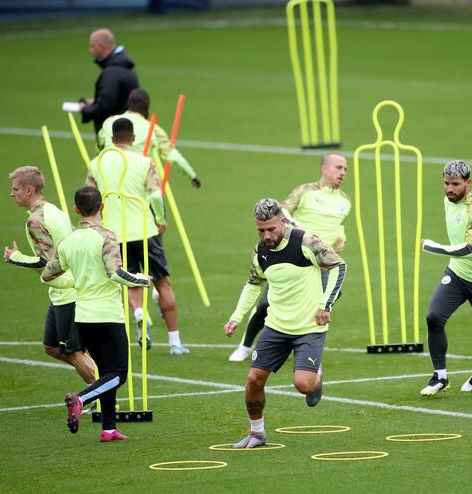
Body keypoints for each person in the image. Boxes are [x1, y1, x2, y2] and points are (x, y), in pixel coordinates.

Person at [223, 198, 346, 448]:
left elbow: (339, 266)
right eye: (261, 230)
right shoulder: (261, 252)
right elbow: (253, 284)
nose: (266, 236)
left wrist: (325, 304)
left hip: (310, 328)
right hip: (276, 327)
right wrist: (236, 317)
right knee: (254, 380)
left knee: (303, 385)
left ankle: (317, 375)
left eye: (271, 229)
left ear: (282, 221)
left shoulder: (306, 242)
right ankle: (257, 433)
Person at [41, 186, 150, 441]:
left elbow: (48, 274)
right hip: (108, 315)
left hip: (83, 316)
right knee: (119, 373)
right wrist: (141, 279)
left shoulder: (68, 241)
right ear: (102, 207)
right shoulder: (106, 237)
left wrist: (77, 282)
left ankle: (109, 428)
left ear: (76, 210)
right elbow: (116, 273)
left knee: (106, 372)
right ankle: (81, 398)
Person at [229, 153, 350, 362]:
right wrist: (297, 231)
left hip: (321, 261)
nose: (343, 173)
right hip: (293, 253)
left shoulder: (345, 201)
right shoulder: (305, 191)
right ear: (324, 169)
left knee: (328, 298)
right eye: (338, 168)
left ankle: (301, 345)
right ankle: (245, 345)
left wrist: (342, 236)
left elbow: (338, 223)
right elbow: (282, 212)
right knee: (267, 303)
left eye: (345, 169)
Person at [87, 117, 189, 355]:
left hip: (114, 232)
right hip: (145, 231)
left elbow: (90, 195)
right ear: (133, 138)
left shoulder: (96, 163)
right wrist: (161, 220)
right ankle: (175, 342)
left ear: (111, 139)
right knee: (162, 283)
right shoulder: (144, 162)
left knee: (132, 280)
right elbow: (155, 194)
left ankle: (139, 313)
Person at [4, 166, 96, 386]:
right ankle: (99, 381)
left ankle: (103, 394)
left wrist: (16, 257)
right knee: (52, 347)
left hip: (67, 290)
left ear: (29, 190)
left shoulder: (35, 221)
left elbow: (46, 263)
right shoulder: (53, 209)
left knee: (73, 351)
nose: (11, 193)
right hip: (62, 289)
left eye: (15, 189)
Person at [419, 160, 472, 396]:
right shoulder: (449, 199)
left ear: (468, 182)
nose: (449, 189)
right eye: (446, 183)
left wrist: (434, 247)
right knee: (434, 317)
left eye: (455, 184)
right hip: (457, 273)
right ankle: (440, 377)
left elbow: (469, 250)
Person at [97, 89, 201, 189]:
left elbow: (99, 148)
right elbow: (173, 156)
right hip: (137, 184)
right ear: (147, 106)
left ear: (128, 105)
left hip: (108, 179)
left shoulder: (109, 122)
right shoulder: (152, 128)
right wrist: (192, 175)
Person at [79, 28, 139, 134]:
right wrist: (95, 101)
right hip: (126, 131)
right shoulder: (126, 68)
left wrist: (86, 109)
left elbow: (106, 105)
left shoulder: (111, 73)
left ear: (101, 47)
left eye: (92, 46)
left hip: (113, 135)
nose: (90, 50)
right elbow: (121, 100)